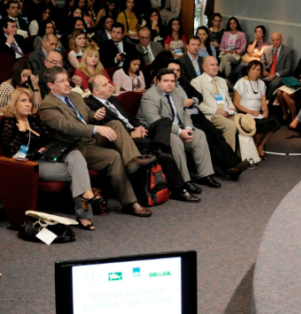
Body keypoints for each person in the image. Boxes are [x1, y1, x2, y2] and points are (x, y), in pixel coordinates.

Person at [39, 66, 156, 217]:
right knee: (114, 156)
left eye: (66, 80)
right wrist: (96, 128)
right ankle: (130, 203)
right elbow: (68, 127)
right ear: (50, 85)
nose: (67, 83)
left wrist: (96, 115)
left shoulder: (74, 96)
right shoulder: (47, 106)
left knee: (115, 124)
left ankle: (133, 160)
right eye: (61, 81)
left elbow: (87, 114)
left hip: (90, 138)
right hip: (76, 148)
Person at [86, 74, 199, 203]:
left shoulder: (112, 99)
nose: (110, 86)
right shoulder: (90, 105)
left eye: (109, 83)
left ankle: (157, 149)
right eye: (105, 84)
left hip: (137, 132)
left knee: (165, 122)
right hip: (122, 140)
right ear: (96, 90)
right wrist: (131, 133)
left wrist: (139, 127)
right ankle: (179, 189)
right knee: (163, 155)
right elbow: (105, 131)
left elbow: (129, 118)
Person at [1, 88, 102, 230]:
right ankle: (85, 210)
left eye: (29, 101)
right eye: (23, 101)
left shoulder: (34, 119)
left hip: (52, 156)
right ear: (14, 104)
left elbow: (49, 138)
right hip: (33, 164)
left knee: (76, 156)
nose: (28, 104)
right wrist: (22, 133)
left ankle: (86, 194)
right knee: (78, 173)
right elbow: (11, 153)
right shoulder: (9, 123)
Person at [165, 60, 250, 180]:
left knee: (216, 134)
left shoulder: (182, 82)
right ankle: (227, 168)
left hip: (197, 114)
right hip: (185, 118)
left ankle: (234, 163)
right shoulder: (167, 88)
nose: (175, 72)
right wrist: (184, 103)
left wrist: (192, 100)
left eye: (178, 70)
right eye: (172, 70)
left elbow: (199, 96)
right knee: (208, 138)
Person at [138, 68, 220, 189]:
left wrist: (188, 128)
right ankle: (184, 181)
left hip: (179, 127)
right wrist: (180, 132)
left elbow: (185, 113)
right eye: (166, 81)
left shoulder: (177, 92)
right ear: (158, 82)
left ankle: (205, 175)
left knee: (199, 135)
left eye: (172, 80)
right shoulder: (149, 97)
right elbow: (156, 121)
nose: (170, 83)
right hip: (159, 132)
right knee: (175, 141)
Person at [233, 60, 280, 159]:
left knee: (274, 122)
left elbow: (263, 102)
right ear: (248, 70)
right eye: (253, 69)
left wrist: (265, 111)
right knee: (259, 125)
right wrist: (250, 111)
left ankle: (260, 145)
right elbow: (236, 103)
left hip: (257, 112)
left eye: (258, 70)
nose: (255, 72)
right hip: (244, 112)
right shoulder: (241, 82)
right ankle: (253, 148)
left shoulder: (261, 83)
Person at [191, 55, 240, 149]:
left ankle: (244, 155)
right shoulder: (196, 82)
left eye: (217, 65)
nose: (215, 67)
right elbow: (197, 105)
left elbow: (228, 99)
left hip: (228, 113)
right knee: (230, 126)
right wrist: (216, 111)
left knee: (244, 122)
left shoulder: (222, 81)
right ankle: (230, 159)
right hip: (212, 115)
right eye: (212, 65)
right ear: (204, 67)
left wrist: (232, 108)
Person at [277, 39, 301, 124]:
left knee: (285, 94)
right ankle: (285, 114)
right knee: (279, 92)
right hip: (297, 82)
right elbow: (296, 74)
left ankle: (294, 118)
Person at [263, 31, 295, 111]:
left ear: (281, 40)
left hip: (280, 75)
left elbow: (288, 69)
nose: (275, 42)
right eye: (273, 40)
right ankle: (257, 102)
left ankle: (267, 104)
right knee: (256, 79)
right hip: (267, 73)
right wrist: (263, 70)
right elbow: (262, 62)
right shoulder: (267, 49)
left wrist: (275, 75)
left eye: (277, 40)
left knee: (274, 84)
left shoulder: (288, 51)